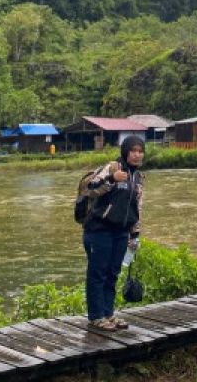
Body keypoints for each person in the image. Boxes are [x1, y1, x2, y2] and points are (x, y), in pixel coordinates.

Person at [81, 135, 145, 331]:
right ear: (125, 151)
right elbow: (89, 189)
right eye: (133, 151)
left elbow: (136, 208)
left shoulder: (138, 177)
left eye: (140, 151)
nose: (137, 155)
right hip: (99, 230)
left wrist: (135, 235)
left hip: (120, 232)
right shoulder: (112, 167)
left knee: (112, 274)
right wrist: (111, 179)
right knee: (97, 274)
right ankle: (96, 317)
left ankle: (108, 313)